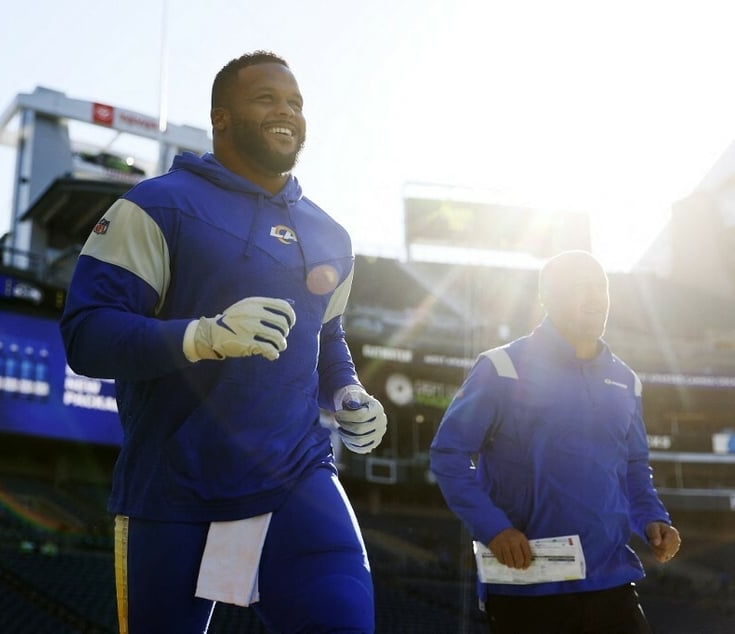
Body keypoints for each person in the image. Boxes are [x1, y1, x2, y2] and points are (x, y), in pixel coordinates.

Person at [60, 50, 387, 633]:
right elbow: (87, 336)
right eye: (266, 99)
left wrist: (348, 394)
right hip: (173, 487)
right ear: (221, 118)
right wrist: (203, 336)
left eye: (294, 103)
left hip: (294, 474)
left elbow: (326, 340)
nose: (285, 112)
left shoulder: (330, 235)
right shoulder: (155, 206)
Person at [429, 249, 681, 634]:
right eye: (581, 287)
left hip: (610, 579)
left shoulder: (627, 381)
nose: (595, 297)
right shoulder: (502, 367)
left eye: (602, 287)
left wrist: (653, 519)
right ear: (547, 297)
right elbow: (449, 454)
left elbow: (633, 467)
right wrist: (493, 528)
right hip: (527, 582)